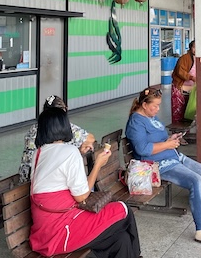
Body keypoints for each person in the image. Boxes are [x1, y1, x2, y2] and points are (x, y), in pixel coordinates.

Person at [125, 88, 201, 248]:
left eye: (159, 105)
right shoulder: (135, 122)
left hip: (173, 156)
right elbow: (142, 150)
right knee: (195, 180)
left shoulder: (150, 116)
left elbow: (159, 138)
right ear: (144, 104)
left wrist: (170, 139)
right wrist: (167, 144)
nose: (158, 109)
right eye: (155, 106)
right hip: (157, 165)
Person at [29, 106, 141, 258]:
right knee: (123, 209)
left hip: (44, 232)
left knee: (120, 239)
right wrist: (97, 164)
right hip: (62, 231)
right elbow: (81, 196)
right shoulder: (69, 151)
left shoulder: (38, 153)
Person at [19, 95, 96, 183]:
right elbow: (90, 138)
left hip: (27, 180)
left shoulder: (33, 129)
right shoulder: (62, 127)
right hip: (43, 181)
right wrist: (81, 148)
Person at [171, 40, 196, 123]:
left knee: (188, 109)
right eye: (194, 47)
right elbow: (180, 71)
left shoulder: (199, 58)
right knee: (178, 111)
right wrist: (191, 78)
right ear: (190, 48)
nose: (196, 49)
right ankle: (177, 130)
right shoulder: (185, 58)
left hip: (192, 88)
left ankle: (186, 129)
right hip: (180, 87)